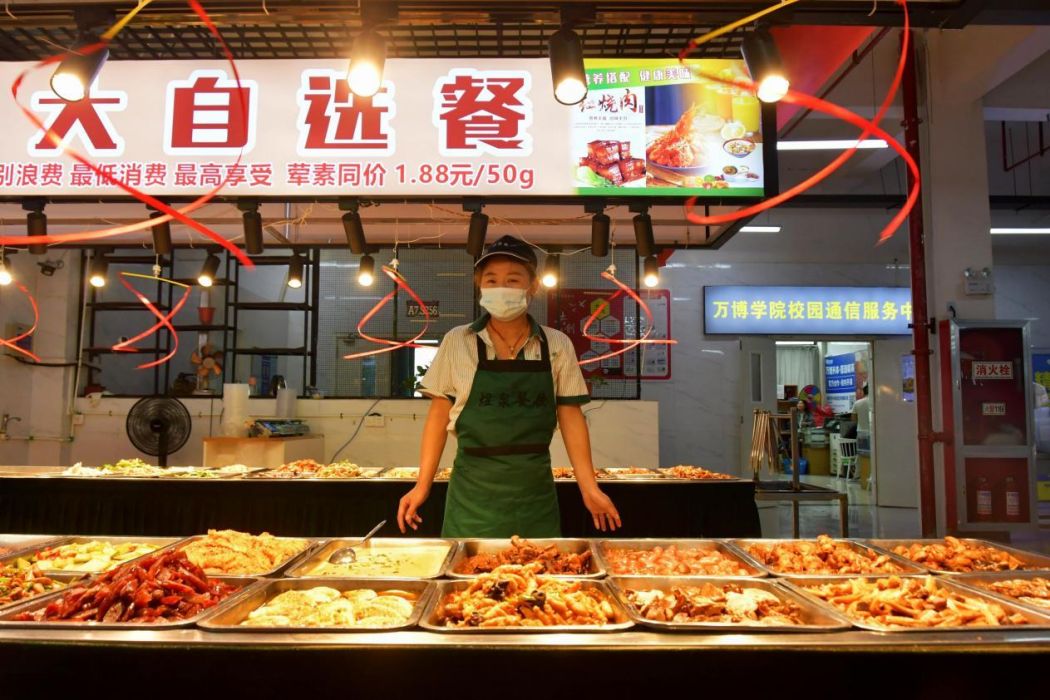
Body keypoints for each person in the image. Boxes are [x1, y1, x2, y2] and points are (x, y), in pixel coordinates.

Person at [396, 235, 622, 537]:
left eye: (513, 279)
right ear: (479, 285)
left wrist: (589, 487)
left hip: (534, 494)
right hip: (472, 497)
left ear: (533, 286)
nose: (500, 287)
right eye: (491, 280)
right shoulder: (457, 341)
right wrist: (422, 485)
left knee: (540, 567)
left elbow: (570, 416)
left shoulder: (556, 344)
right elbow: (439, 415)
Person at [851, 383, 872, 453]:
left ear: (863, 392)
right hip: (873, 433)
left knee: (863, 454)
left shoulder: (857, 403)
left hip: (861, 433)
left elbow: (853, 419)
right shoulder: (875, 403)